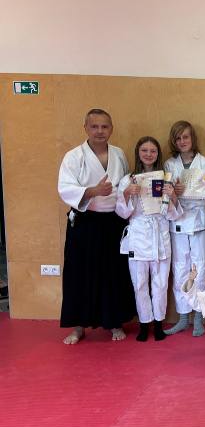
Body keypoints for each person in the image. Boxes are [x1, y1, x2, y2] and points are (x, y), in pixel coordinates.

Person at [57, 108, 136, 344]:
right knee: (80, 274)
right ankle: (79, 326)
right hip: (85, 222)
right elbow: (65, 188)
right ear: (85, 128)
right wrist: (93, 191)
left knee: (114, 273)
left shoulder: (118, 154)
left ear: (111, 129)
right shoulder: (74, 156)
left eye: (104, 127)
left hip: (114, 221)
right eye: (94, 127)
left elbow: (125, 184)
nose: (99, 131)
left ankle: (115, 323)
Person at [116, 137, 181, 341]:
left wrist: (173, 196)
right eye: (144, 150)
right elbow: (122, 213)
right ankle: (144, 324)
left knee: (160, 284)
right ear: (138, 152)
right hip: (138, 236)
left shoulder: (165, 179)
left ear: (158, 154)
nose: (148, 154)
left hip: (160, 234)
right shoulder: (128, 180)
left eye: (153, 151)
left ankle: (159, 325)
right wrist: (127, 194)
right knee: (140, 284)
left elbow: (173, 215)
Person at [162, 120, 205, 338]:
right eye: (178, 138)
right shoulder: (169, 165)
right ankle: (183, 318)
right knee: (180, 269)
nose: (182, 141)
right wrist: (173, 192)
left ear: (192, 138)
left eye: (185, 137)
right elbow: (163, 197)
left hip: (199, 221)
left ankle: (199, 317)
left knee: (200, 267)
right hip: (177, 220)